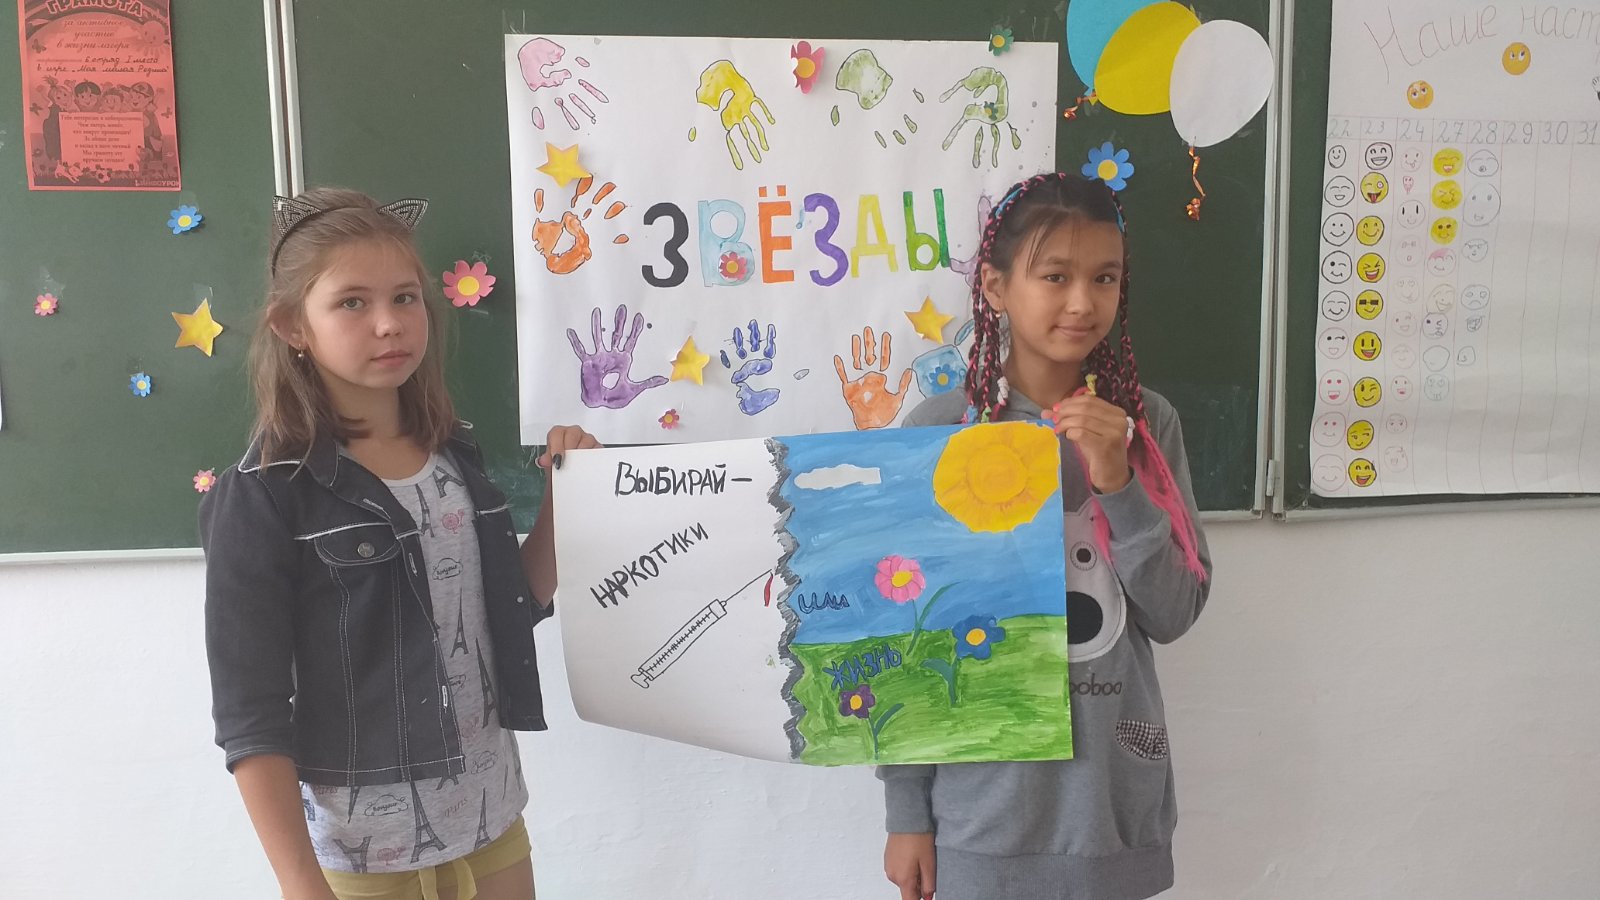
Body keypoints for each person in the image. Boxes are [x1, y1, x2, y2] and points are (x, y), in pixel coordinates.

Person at [201, 188, 598, 900]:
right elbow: (249, 714)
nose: (388, 323)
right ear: (293, 325)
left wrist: (563, 503)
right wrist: (301, 886)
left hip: (492, 820)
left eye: (405, 298)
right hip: (361, 859)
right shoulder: (265, 493)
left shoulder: (454, 456)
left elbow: (511, 607)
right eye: (352, 302)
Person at [879, 172, 1212, 900]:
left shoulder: (1146, 425)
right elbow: (909, 636)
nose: (1082, 302)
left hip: (1110, 812)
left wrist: (1116, 480)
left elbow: (1174, 612)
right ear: (996, 287)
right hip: (978, 814)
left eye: (1105, 278)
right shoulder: (941, 431)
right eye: (1055, 276)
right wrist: (907, 813)